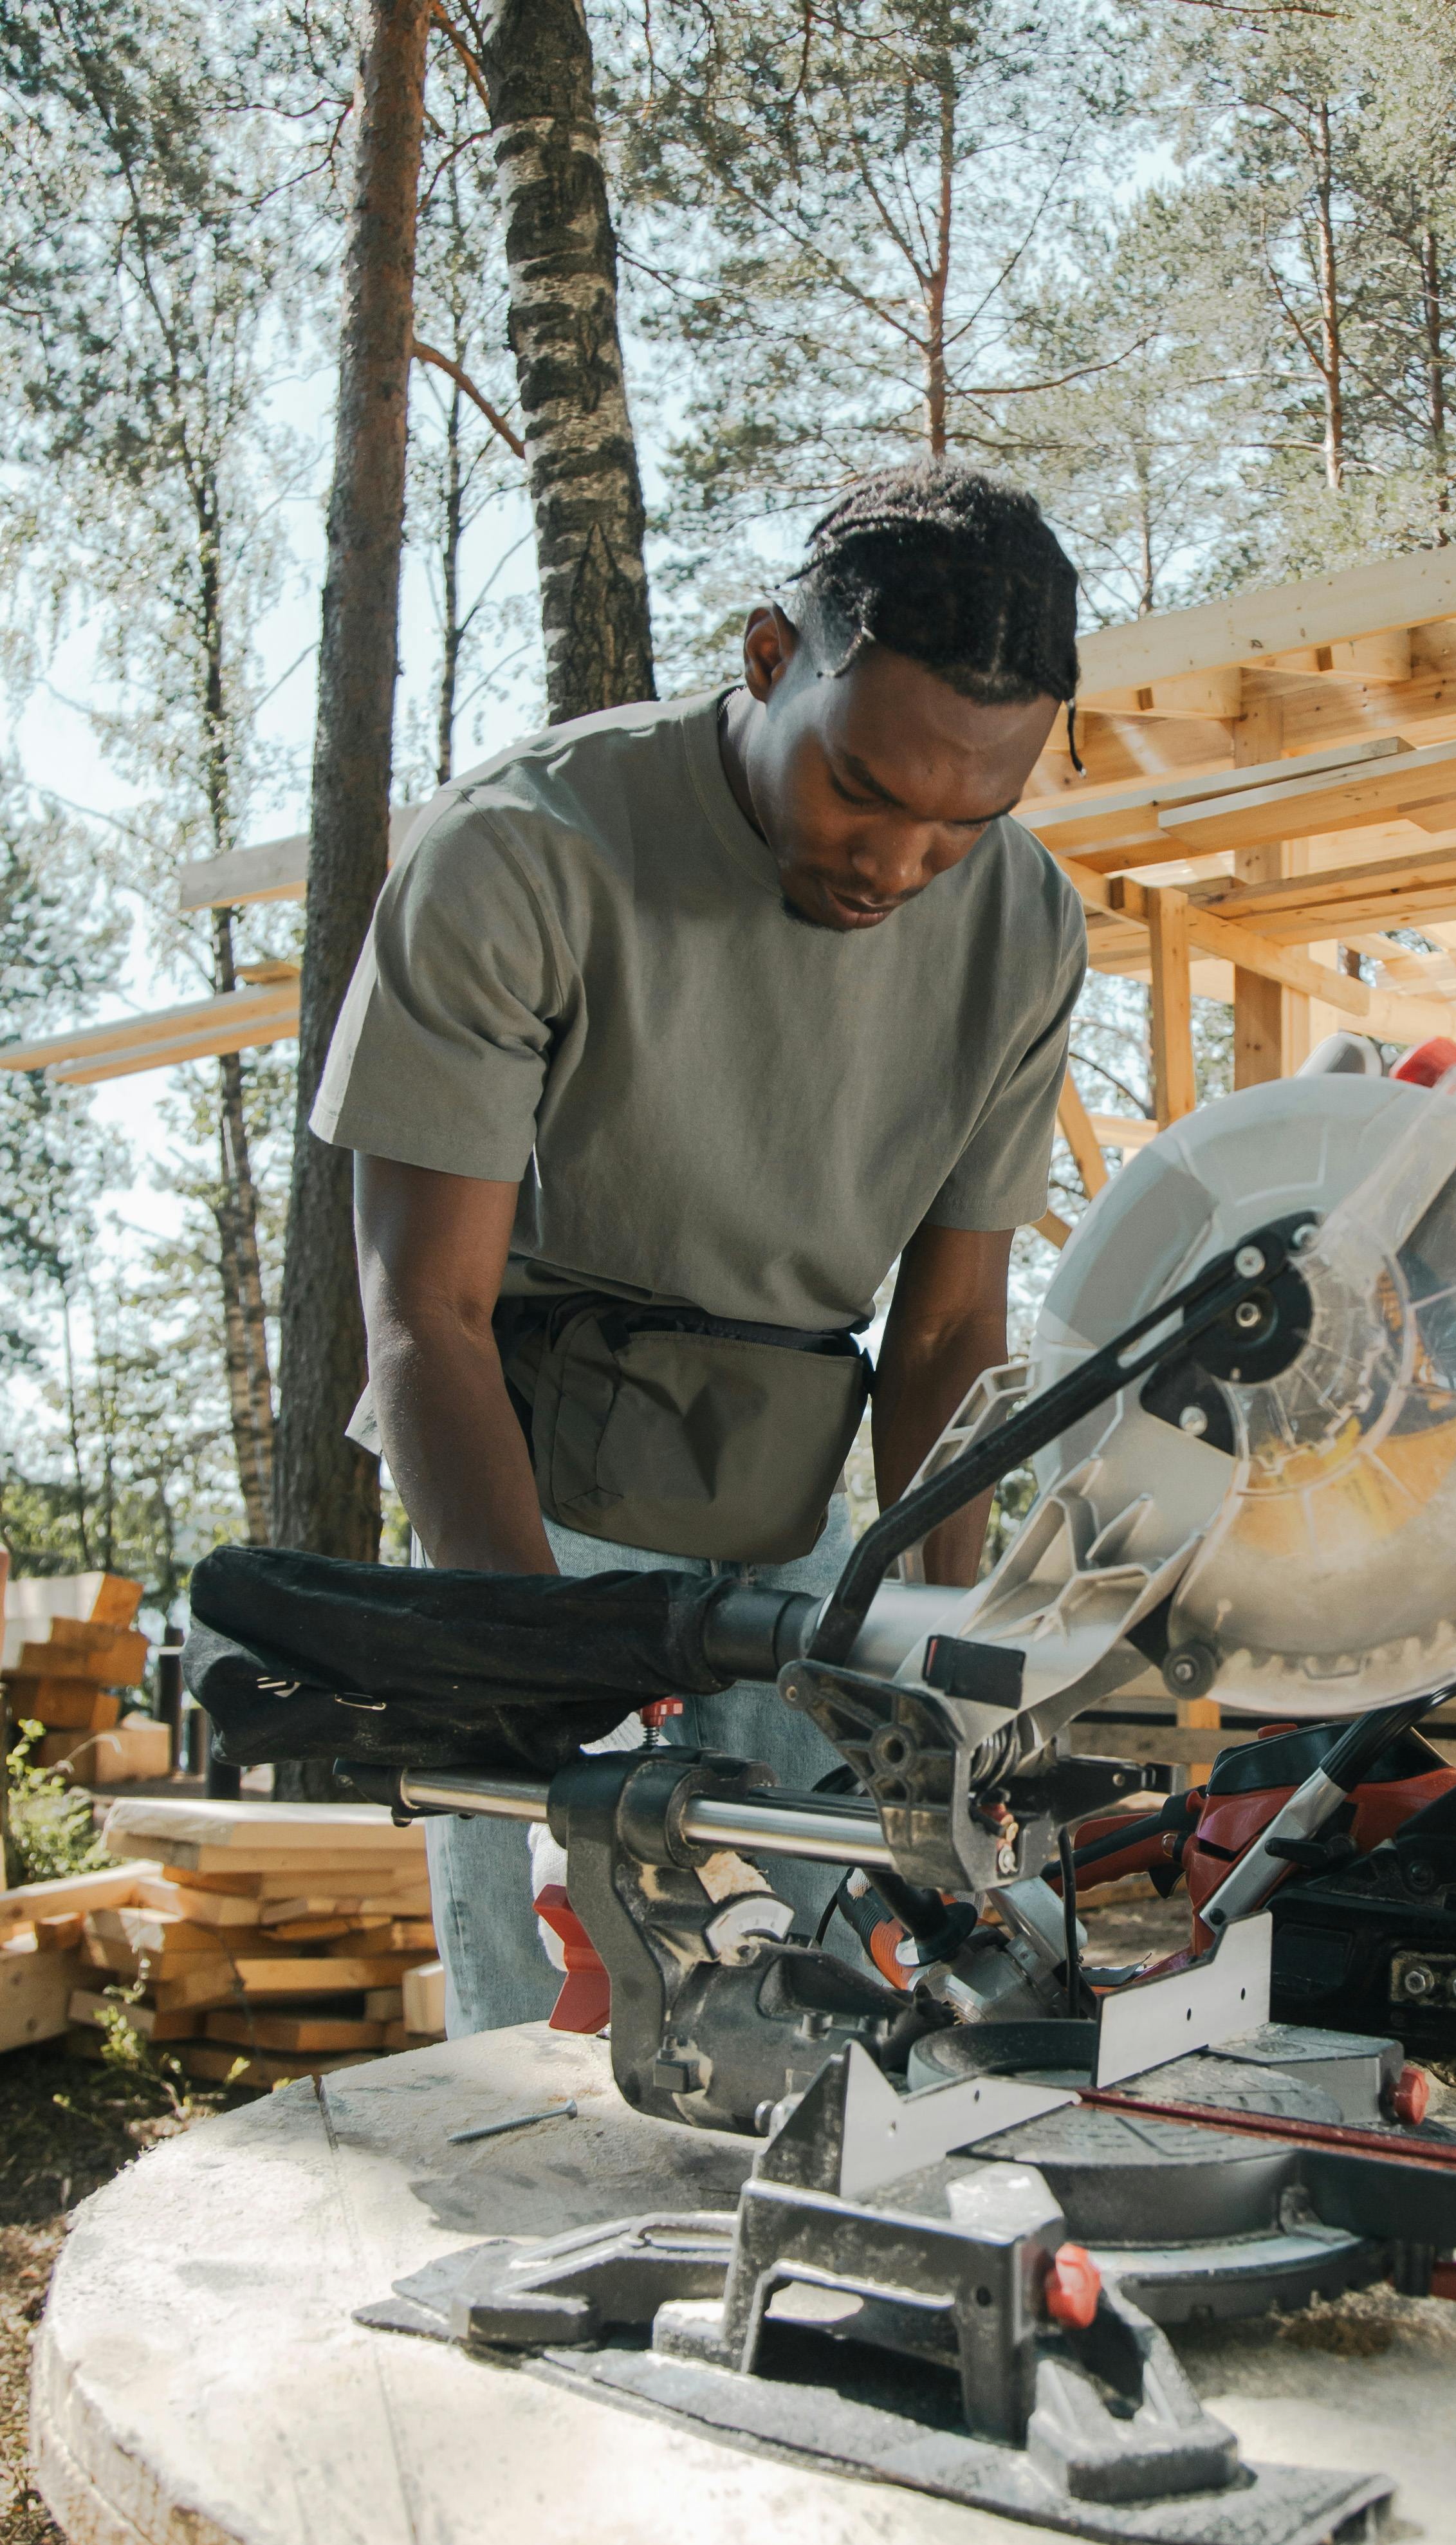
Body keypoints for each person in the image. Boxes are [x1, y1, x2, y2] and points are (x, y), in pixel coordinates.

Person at [309, 460, 1087, 2031]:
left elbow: (941, 1339)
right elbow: (425, 1315)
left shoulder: (1022, 925)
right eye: (861, 789)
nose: (899, 864)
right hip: (530, 1514)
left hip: (809, 1541)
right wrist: (544, 1683)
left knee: (837, 2034)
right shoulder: (522, 851)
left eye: (964, 821)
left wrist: (940, 1676)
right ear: (763, 661)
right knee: (571, 2042)